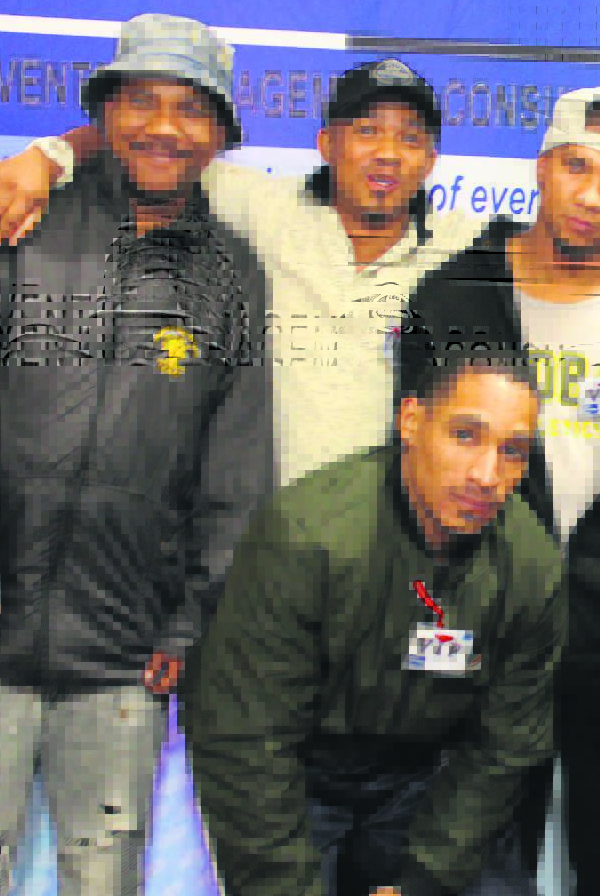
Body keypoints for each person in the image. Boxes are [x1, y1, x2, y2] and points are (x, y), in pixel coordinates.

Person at [0, 13, 274, 894]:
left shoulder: (231, 274)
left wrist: (193, 619)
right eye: (142, 101)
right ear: (105, 112)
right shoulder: (6, 214)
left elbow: (235, 467)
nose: (165, 127)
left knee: (104, 878)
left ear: (219, 136)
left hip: (122, 655)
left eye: (191, 110)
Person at [399, 87, 600, 896]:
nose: (592, 197)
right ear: (541, 167)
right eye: (576, 168)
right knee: (477, 855)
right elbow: (414, 473)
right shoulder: (454, 297)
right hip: (486, 612)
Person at [0, 57, 484, 485]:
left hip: (379, 534)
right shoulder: (263, 206)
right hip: (254, 531)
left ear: (430, 159)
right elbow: (150, 146)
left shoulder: (463, 244)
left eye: (410, 139)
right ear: (327, 145)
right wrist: (48, 157)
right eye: (367, 131)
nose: (388, 154)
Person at [182, 358, 562, 896]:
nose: (486, 473)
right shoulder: (307, 536)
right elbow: (246, 739)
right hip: (299, 770)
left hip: (426, 776)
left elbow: (503, 748)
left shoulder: (531, 567)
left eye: (513, 451)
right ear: (411, 421)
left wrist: (426, 882)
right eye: (464, 436)